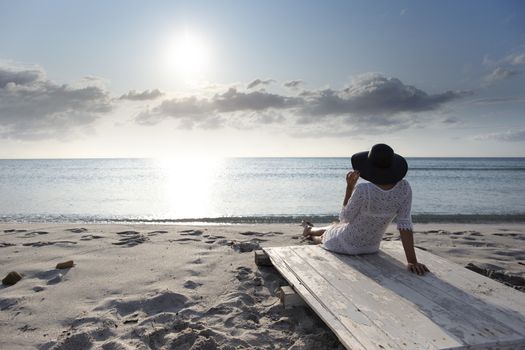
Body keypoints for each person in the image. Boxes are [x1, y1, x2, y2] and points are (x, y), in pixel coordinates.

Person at [302, 143, 429, 275]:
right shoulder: (404, 188)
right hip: (372, 247)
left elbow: (345, 218)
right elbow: (405, 224)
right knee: (334, 227)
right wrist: (412, 261)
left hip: (348, 245)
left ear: (370, 167)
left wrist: (349, 188)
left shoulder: (364, 190)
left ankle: (309, 231)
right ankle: (310, 229)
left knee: (326, 235)